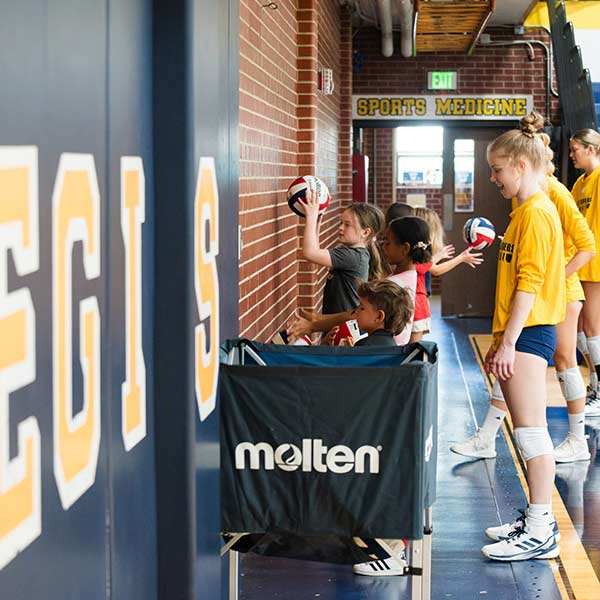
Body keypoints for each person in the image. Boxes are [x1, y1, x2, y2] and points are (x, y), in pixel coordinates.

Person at [451, 133, 596, 463]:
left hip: (555, 296)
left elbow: (587, 245)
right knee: (518, 365)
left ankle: (577, 439)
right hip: (537, 300)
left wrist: (553, 276)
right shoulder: (525, 202)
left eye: (498, 168)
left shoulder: (550, 194)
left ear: (526, 161)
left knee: (562, 363)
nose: (494, 177)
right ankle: (488, 435)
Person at [479, 112, 565, 562]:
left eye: (497, 169)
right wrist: (499, 338)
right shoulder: (524, 212)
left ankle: (541, 529)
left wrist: (510, 341)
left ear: (519, 164)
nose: (492, 177)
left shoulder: (536, 213)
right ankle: (536, 518)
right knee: (525, 432)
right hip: (519, 332)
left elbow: (530, 283)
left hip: (530, 333)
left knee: (532, 436)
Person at [287, 215, 431, 348]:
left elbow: (355, 314)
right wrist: (317, 318)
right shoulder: (407, 276)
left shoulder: (396, 284)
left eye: (388, 242)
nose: (383, 245)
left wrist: (314, 325)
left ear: (405, 248)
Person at [302, 188, 385, 315]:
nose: (341, 227)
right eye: (341, 222)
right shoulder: (351, 252)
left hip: (345, 328)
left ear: (365, 232)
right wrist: (317, 221)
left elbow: (310, 253)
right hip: (337, 325)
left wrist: (311, 217)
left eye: (347, 224)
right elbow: (316, 251)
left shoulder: (353, 256)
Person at [410, 207, 483, 341]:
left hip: (416, 295)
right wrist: (461, 258)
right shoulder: (418, 251)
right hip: (416, 299)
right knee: (414, 341)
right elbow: (434, 269)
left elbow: (428, 266)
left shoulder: (414, 249)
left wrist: (438, 256)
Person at [570, 129, 600, 416]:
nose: (571, 154)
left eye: (576, 149)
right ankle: (594, 384)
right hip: (579, 261)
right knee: (579, 329)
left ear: (591, 149)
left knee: (592, 328)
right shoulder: (579, 183)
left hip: (595, 261)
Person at [327, 279, 413, 347]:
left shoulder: (364, 346)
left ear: (379, 316)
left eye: (362, 308)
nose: (356, 311)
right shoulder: (392, 346)